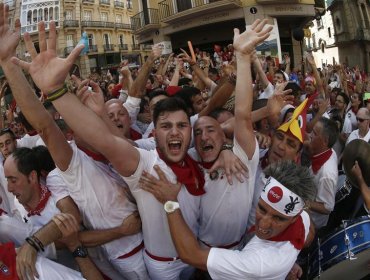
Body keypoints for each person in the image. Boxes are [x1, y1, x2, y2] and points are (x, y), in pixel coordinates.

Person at [0, 9, 147, 279]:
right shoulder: (72, 166)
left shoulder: (132, 149)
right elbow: (44, 125)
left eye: (86, 115)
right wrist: (8, 62)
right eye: (75, 116)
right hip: (124, 262)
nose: (82, 122)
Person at [140, 160, 316, 280]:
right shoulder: (303, 219)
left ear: (293, 220)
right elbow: (309, 233)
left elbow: (190, 255)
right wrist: (289, 261)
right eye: (262, 209)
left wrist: (170, 203)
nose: (263, 224)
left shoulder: (260, 263)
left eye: (278, 218)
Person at [305, 117, 339, 230]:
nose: (310, 135)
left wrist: (304, 202)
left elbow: (327, 207)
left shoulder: (326, 174)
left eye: (314, 133)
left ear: (325, 141)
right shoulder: (331, 151)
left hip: (312, 223)